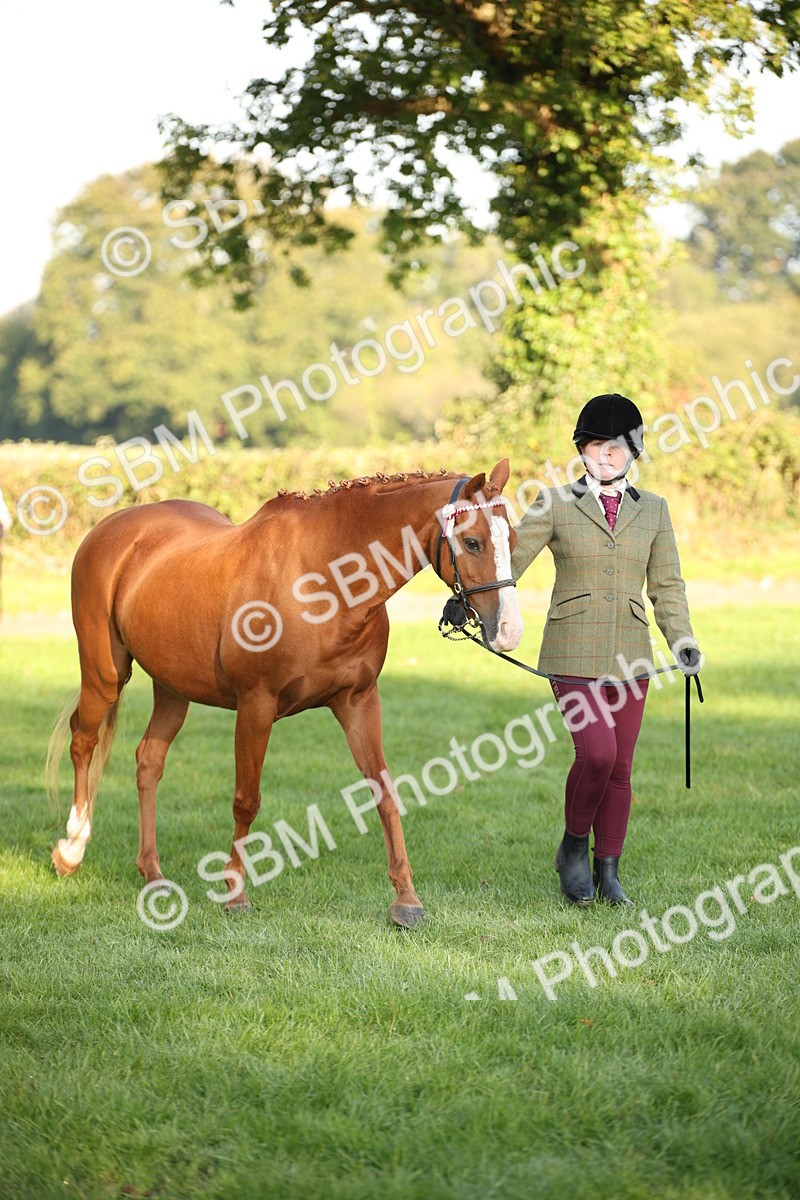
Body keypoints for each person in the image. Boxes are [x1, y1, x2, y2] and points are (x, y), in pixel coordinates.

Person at [510, 393, 702, 907]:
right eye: (598, 445)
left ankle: (608, 868)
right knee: (597, 753)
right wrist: (471, 598)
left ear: (633, 452)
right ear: (582, 449)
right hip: (571, 650)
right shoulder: (553, 502)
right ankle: (573, 848)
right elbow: (509, 562)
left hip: (631, 656)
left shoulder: (655, 510)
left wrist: (681, 640)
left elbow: (667, 585)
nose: (607, 455)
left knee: (621, 768)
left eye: (618, 447)